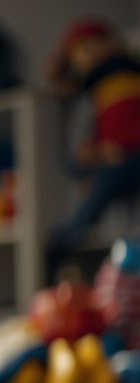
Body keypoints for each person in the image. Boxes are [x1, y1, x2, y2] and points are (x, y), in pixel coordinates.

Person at [45, 16, 140, 278]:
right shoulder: (88, 93)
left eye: (92, 46)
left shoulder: (126, 77)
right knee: (102, 188)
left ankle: (67, 238)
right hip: (112, 165)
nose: (87, 55)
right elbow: (74, 160)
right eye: (80, 52)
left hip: (127, 157)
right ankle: (67, 239)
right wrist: (97, 153)